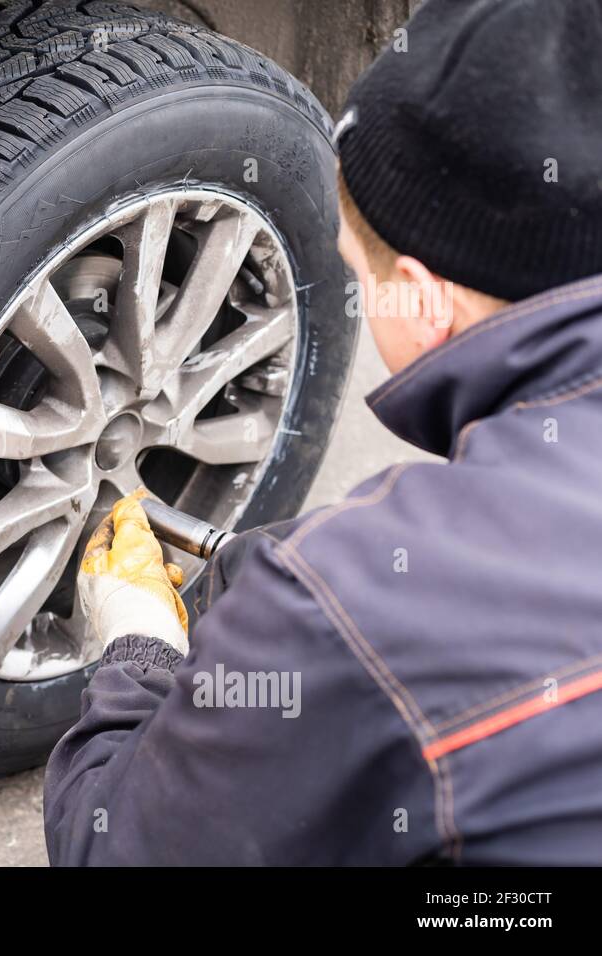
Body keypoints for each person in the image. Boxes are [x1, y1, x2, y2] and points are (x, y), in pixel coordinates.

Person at [44, 0, 602, 865]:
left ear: (420, 296)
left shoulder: (355, 610)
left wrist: (138, 647)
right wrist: (295, 575)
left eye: (356, 268)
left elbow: (112, 849)